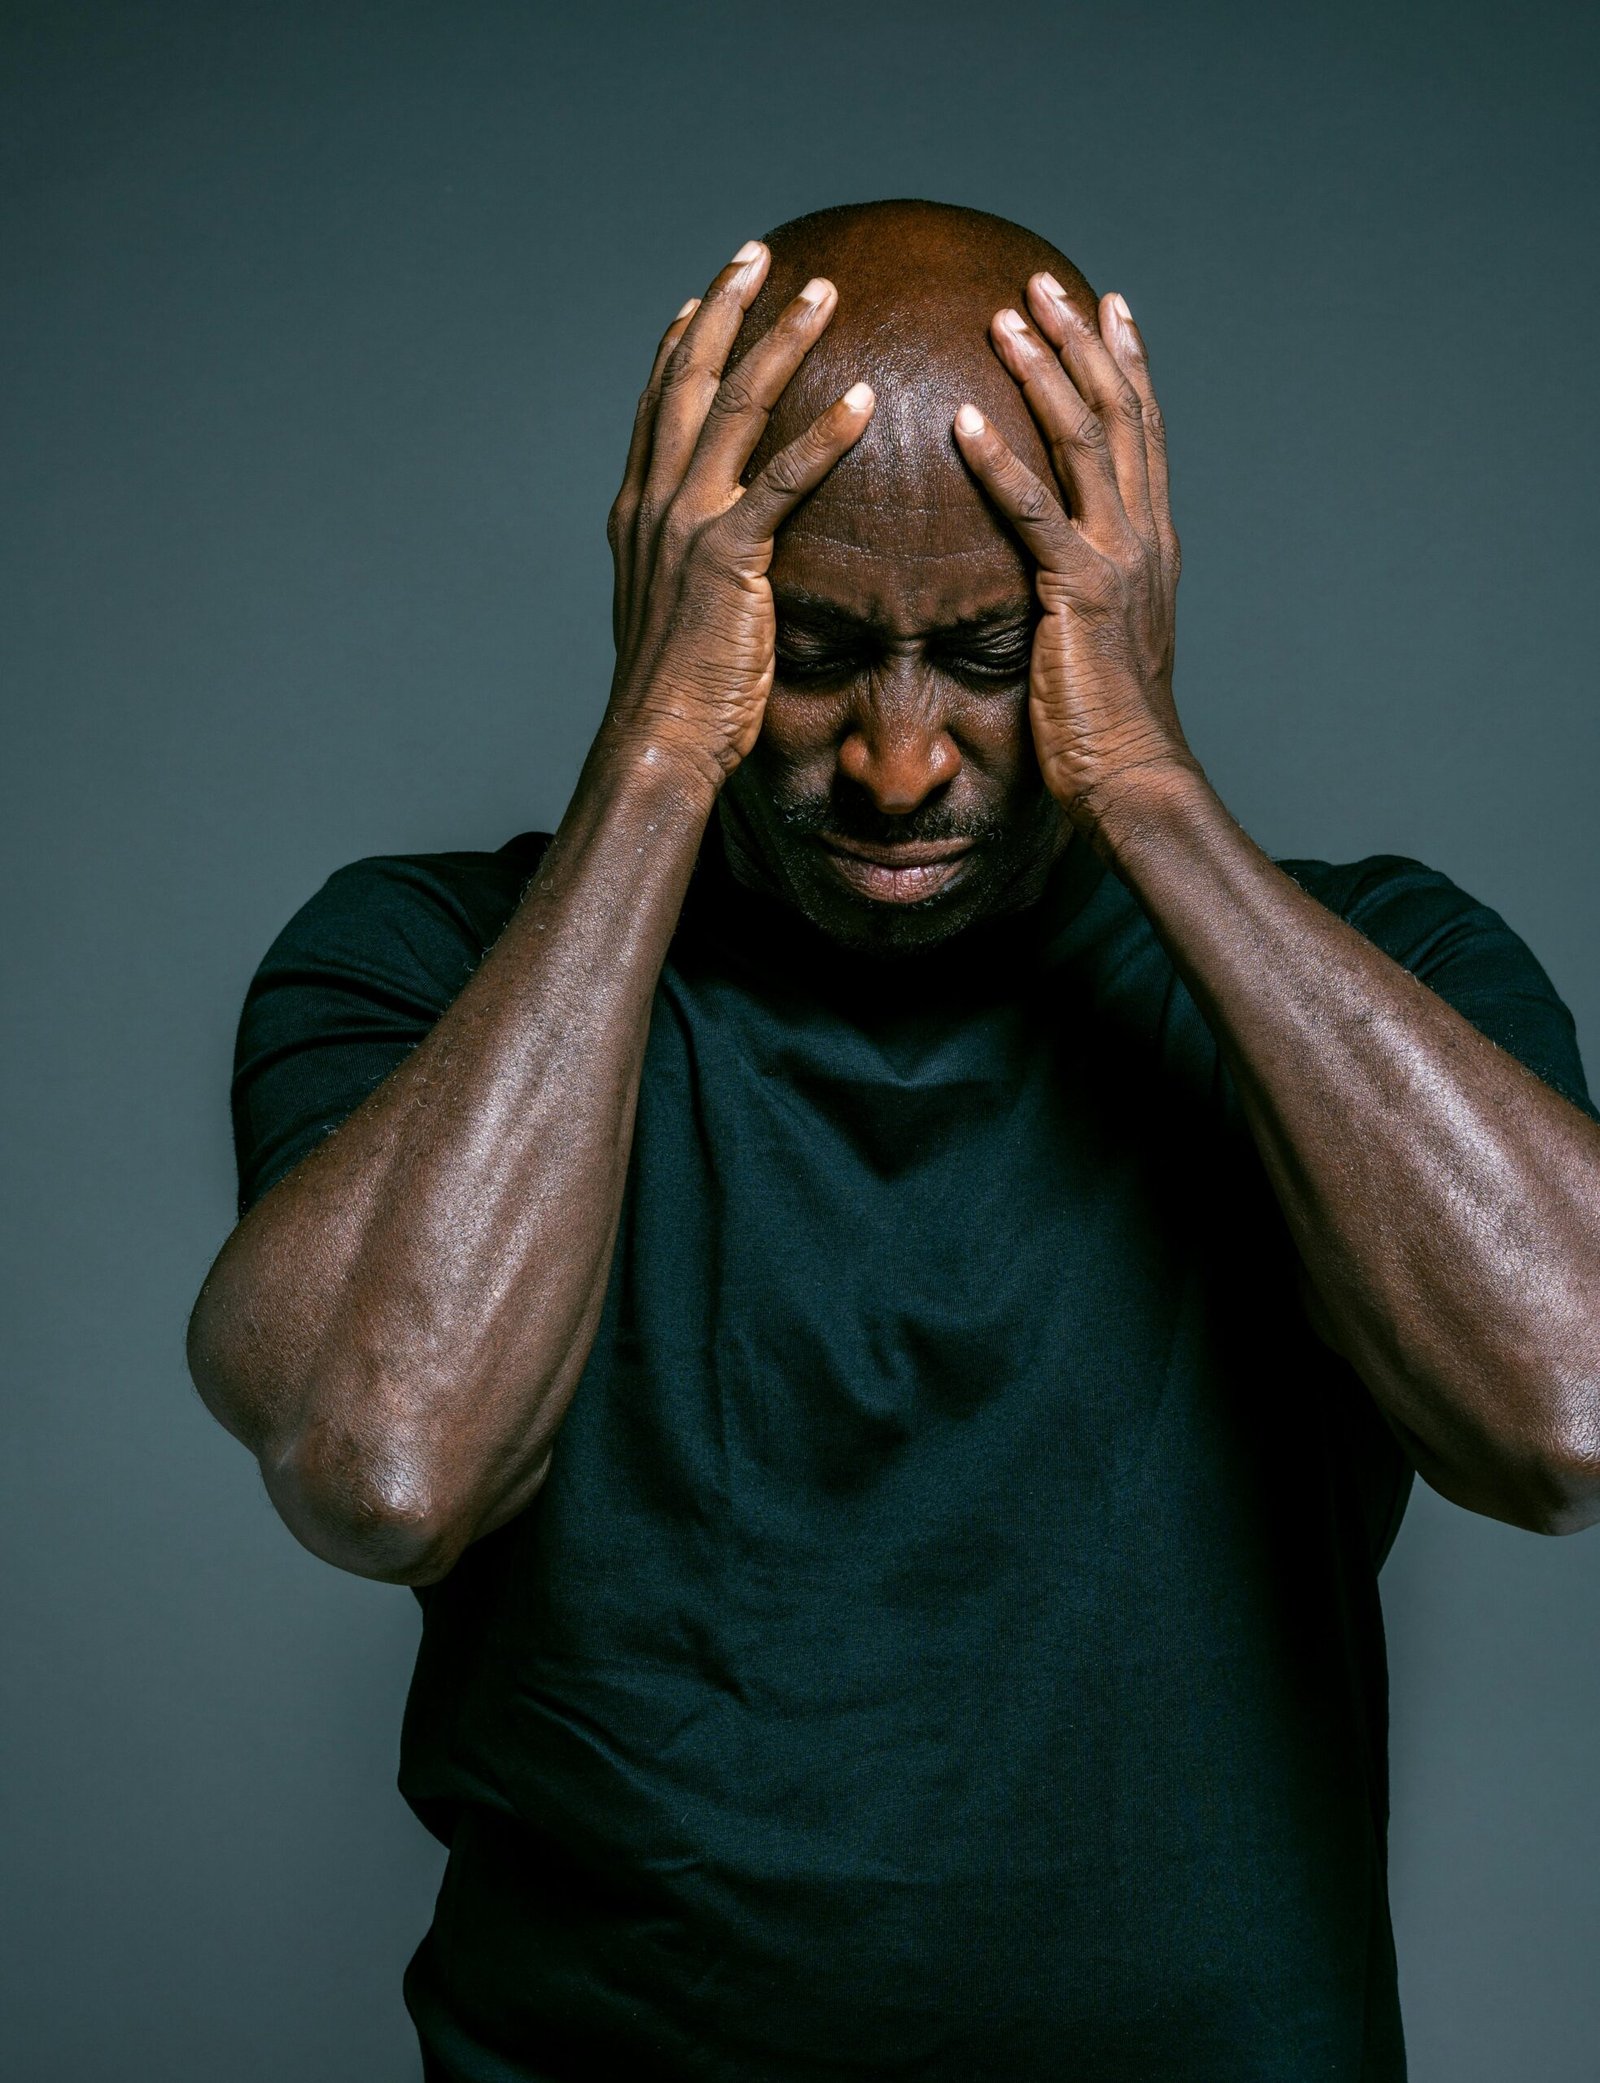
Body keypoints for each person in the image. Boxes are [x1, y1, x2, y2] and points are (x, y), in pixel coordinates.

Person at [186, 199, 1600, 2081]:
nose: (901, 758)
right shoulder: (421, 970)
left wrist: (1151, 788)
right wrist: (654, 764)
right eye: (819, 651)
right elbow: (383, 1460)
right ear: (682, 603)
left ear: (1120, 604)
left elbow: (1571, 1410)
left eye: (991, 656)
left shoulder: (1380, 974)